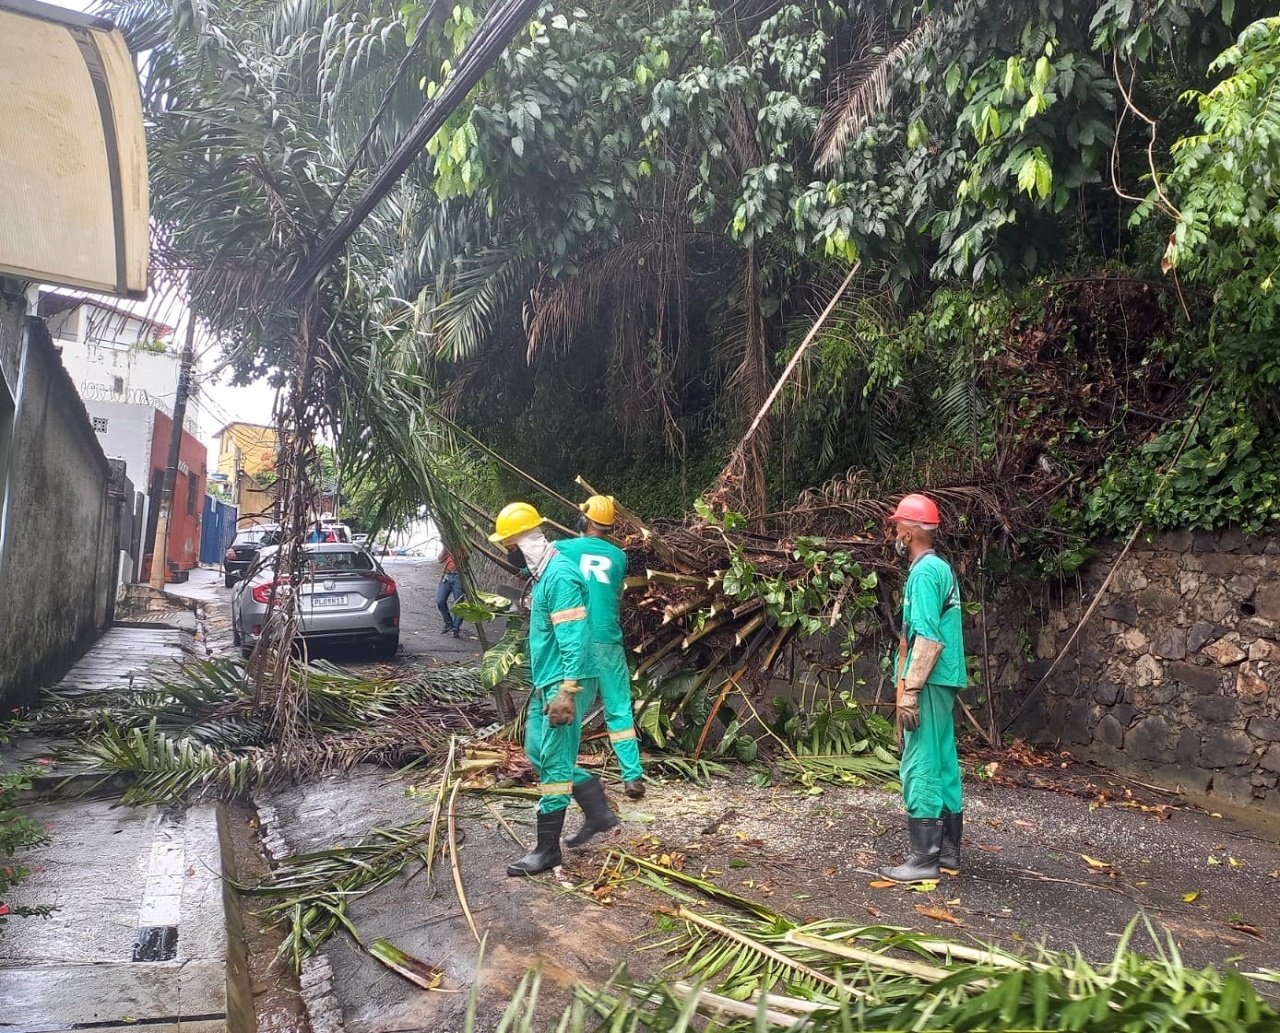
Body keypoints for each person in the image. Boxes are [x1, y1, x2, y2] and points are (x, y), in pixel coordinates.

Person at [489, 501, 618, 876]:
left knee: (556, 764)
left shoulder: (559, 576)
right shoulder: (544, 576)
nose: (509, 555)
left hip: (565, 683)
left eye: (510, 547)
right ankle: (597, 808)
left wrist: (569, 689)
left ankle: (547, 851)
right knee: (536, 750)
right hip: (548, 681)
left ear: (525, 542)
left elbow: (575, 635)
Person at [879, 493, 967, 884]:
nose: (895, 531)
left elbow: (927, 637)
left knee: (920, 761)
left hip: (928, 681)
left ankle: (923, 858)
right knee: (944, 758)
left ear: (911, 531)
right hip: (942, 679)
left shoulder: (924, 574)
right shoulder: (938, 569)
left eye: (899, 525)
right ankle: (947, 853)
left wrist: (910, 689)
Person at [554, 495, 645, 799]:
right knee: (619, 708)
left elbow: (536, 570)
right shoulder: (620, 558)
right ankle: (632, 777)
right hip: (608, 639)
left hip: (576, 639)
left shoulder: (564, 549)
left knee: (571, 711)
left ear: (585, 521)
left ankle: (563, 775)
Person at [437, 545, 464, 637]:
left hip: (459, 576)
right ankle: (448, 623)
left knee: (459, 603)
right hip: (447, 575)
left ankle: (455, 628)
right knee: (440, 601)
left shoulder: (464, 545)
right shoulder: (448, 546)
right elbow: (440, 559)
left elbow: (464, 556)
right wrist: (446, 547)